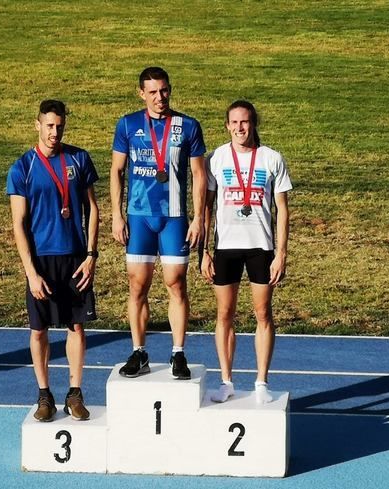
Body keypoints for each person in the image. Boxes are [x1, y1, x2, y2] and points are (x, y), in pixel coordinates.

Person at [110, 67, 207, 379]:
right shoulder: (128, 124)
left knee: (176, 282)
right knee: (138, 284)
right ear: (141, 93)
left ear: (170, 89)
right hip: (139, 216)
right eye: (152, 92)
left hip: (174, 217)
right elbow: (116, 171)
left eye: (164, 90)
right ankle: (139, 352)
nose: (159, 97)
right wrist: (116, 215)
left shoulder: (188, 126)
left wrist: (198, 219)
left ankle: (178, 353)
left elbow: (199, 175)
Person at [7, 99, 99, 421]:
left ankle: (75, 393)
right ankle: (44, 395)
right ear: (38, 124)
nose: (54, 132)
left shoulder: (79, 158)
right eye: (49, 126)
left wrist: (91, 256)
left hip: (75, 257)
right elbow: (18, 224)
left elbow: (93, 209)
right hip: (41, 259)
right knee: (38, 329)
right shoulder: (22, 168)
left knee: (76, 326)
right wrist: (31, 273)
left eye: (59, 126)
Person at [201, 100, 292, 404]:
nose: (240, 128)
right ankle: (226, 381)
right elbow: (205, 209)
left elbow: (282, 210)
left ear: (254, 124)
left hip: (261, 247)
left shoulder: (272, 159)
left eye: (245, 122)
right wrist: (204, 251)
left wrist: (281, 253)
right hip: (225, 246)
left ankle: (261, 382)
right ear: (227, 126)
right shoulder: (215, 159)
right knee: (224, 314)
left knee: (263, 313)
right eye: (234, 123)